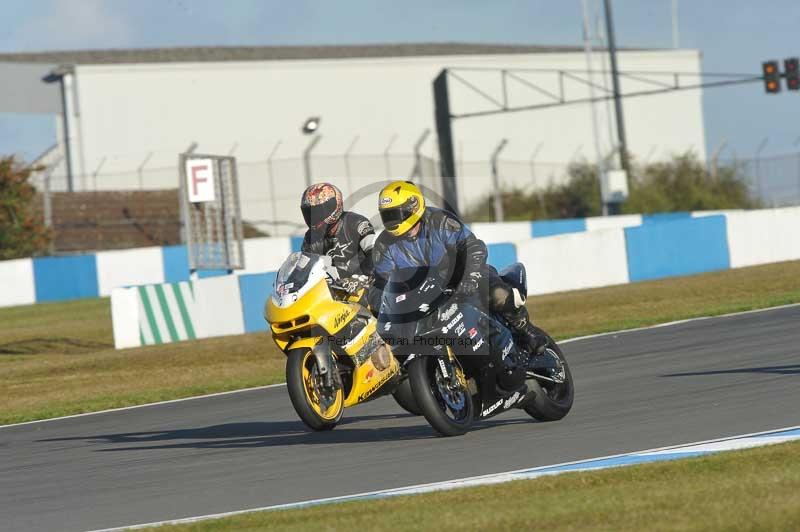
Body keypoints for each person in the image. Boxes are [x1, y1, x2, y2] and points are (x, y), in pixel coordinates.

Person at [369, 181, 544, 371]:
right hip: (425, 296)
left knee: (498, 295)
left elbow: (473, 247)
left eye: (396, 214)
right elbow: (381, 284)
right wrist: (383, 309)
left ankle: (526, 330)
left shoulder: (440, 221)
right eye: (387, 216)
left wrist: (469, 278)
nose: (392, 221)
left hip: (463, 277)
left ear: (414, 206)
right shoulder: (384, 245)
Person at [300, 182, 375, 284]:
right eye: (310, 213)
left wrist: (360, 276)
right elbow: (305, 269)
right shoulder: (310, 238)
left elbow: (376, 254)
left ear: (334, 206)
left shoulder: (357, 223)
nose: (314, 218)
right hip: (331, 292)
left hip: (364, 287)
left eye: (318, 212)